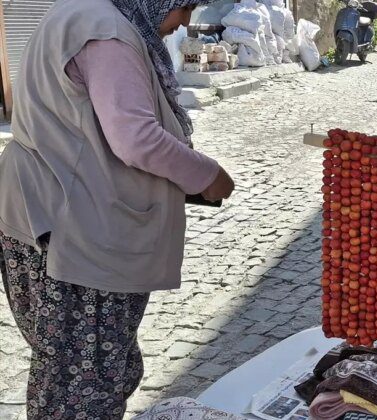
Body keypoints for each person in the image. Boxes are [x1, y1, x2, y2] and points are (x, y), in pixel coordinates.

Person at [0, 0, 234, 418]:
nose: (183, 21)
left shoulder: (75, 10)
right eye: (183, 6)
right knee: (84, 386)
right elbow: (136, 138)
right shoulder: (107, 31)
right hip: (78, 231)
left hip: (40, 211)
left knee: (68, 368)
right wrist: (209, 176)